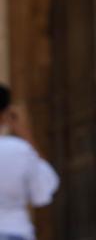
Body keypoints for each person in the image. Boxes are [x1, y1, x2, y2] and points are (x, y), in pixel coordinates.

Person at [0, 84, 59, 240]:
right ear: (6, 115)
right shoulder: (19, 150)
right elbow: (44, 189)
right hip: (14, 231)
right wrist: (26, 134)